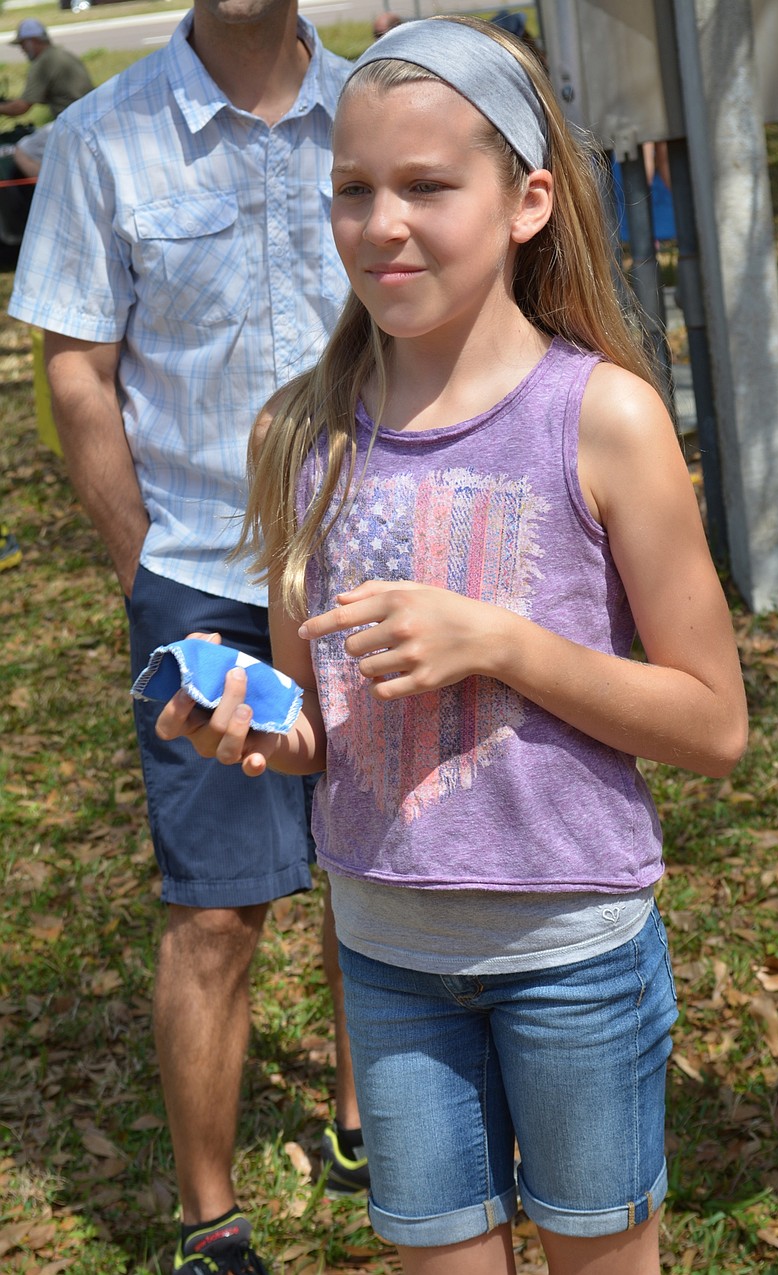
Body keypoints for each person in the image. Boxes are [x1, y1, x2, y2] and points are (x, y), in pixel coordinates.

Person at [155, 15, 749, 1275]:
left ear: (527, 200)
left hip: (572, 959)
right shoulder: (297, 437)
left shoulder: (603, 419)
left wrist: (501, 643)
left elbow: (713, 723)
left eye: (427, 186)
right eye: (353, 190)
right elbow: (324, 725)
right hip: (386, 960)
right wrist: (256, 729)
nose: (382, 224)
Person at [7, 0, 367, 1269]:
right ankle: (209, 1219)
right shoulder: (106, 140)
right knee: (219, 909)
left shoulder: (378, 111)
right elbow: (73, 367)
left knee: (379, 865)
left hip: (374, 561)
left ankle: (361, 1113)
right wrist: (141, 569)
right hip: (206, 573)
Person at [0, 20, 93, 177]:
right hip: (87, 118)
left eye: (22, 44)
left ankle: (50, 195)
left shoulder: (43, 62)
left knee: (22, 151)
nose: (22, 50)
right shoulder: (61, 54)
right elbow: (47, 96)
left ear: (31, 42)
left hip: (71, 123)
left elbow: (21, 107)